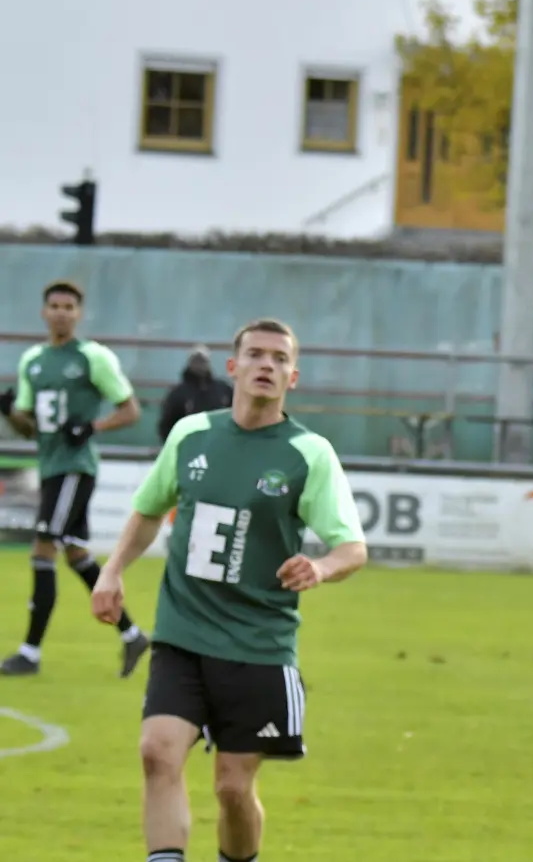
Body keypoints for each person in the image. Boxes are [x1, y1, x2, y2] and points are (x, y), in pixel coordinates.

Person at [91, 318, 368, 862]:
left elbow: (351, 548)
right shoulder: (192, 434)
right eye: (257, 355)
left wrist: (321, 568)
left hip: (257, 645)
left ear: (293, 377)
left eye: (280, 358)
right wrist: (112, 570)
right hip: (182, 634)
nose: (268, 364)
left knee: (233, 788)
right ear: (233, 367)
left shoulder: (308, 453)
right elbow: (148, 510)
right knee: (157, 752)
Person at [0, 279, 148, 677]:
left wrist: (93, 427)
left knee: (42, 549)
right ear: (44, 311)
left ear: (79, 313)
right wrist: (9, 411)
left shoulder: (92, 357)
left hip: (75, 467)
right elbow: (29, 429)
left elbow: (130, 409)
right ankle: (132, 635)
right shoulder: (33, 360)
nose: (62, 312)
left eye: (69, 306)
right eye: (55, 305)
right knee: (77, 555)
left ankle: (29, 653)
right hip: (50, 468)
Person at [157, 345, 233, 442]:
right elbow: (166, 425)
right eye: (196, 360)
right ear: (189, 363)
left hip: (220, 444)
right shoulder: (177, 393)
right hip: (189, 447)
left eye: (203, 360)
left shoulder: (224, 389)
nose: (199, 364)